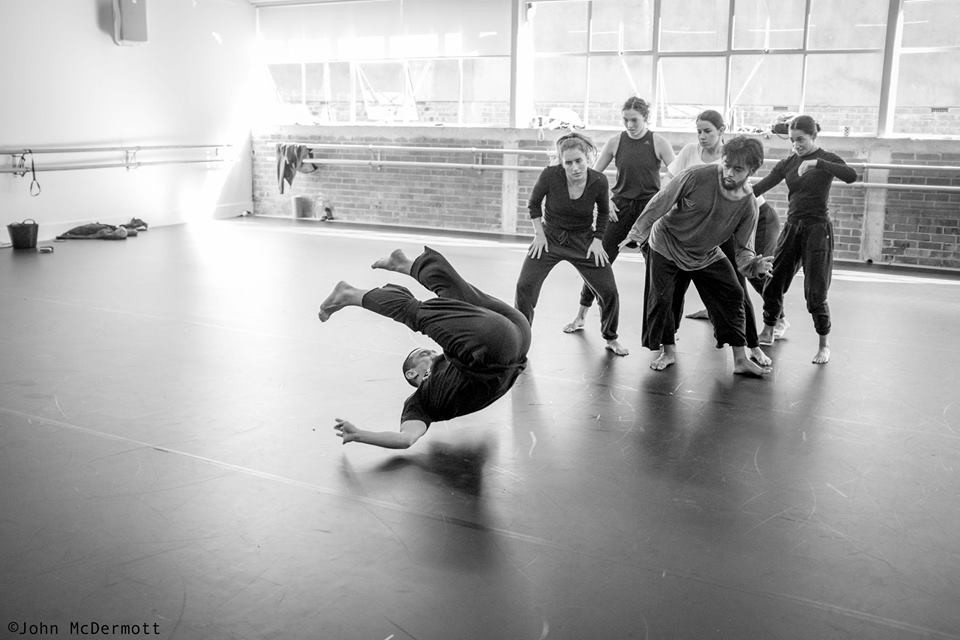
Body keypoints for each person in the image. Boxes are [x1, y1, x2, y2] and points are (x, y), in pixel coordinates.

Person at [318, 246, 531, 449]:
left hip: (513, 333)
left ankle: (406, 265)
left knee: (461, 295)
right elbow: (406, 439)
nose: (430, 351)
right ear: (412, 373)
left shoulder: (451, 360)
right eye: (422, 353)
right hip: (499, 349)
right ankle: (350, 294)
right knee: (416, 313)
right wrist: (360, 435)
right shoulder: (420, 404)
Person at [621, 135, 774, 375]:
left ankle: (740, 359)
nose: (729, 173)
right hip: (666, 244)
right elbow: (662, 200)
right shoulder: (696, 176)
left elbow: (744, 249)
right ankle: (668, 351)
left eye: (738, 169)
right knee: (664, 300)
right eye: (726, 164)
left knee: (734, 294)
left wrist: (754, 265)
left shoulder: (748, 204)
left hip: (705, 253)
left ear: (751, 171)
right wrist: (637, 232)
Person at [665, 110, 775, 366]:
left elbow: (750, 201)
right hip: (691, 233)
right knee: (674, 291)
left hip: (725, 231)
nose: (702, 136)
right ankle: (668, 346)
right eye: (699, 131)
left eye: (708, 131)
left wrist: (750, 251)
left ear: (721, 131)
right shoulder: (690, 152)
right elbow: (669, 187)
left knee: (737, 290)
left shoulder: (733, 156)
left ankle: (753, 346)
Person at [563, 97, 675, 336]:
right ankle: (581, 315)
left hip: (648, 212)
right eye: (625, 119)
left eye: (634, 120)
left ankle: (664, 329)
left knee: (658, 269)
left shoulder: (658, 142)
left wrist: (661, 203)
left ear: (646, 118)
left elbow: (677, 176)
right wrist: (606, 200)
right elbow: (594, 176)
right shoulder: (615, 142)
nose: (629, 124)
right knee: (599, 262)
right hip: (620, 209)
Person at [751, 115, 858, 364]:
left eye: (801, 139)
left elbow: (851, 176)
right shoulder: (788, 162)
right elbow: (762, 186)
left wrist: (818, 164)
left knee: (816, 291)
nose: (796, 144)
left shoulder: (827, 159)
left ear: (813, 137)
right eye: (792, 140)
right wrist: (736, 191)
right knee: (774, 280)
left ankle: (824, 344)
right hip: (792, 228)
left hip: (818, 230)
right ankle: (769, 328)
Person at [515, 131, 629, 355]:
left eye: (579, 161)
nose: (575, 167)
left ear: (587, 158)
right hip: (550, 238)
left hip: (583, 240)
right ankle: (521, 338)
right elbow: (534, 205)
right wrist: (539, 235)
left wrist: (597, 240)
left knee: (609, 291)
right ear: (561, 162)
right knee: (524, 286)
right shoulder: (550, 175)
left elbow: (604, 212)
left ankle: (610, 337)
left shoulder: (598, 180)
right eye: (568, 163)